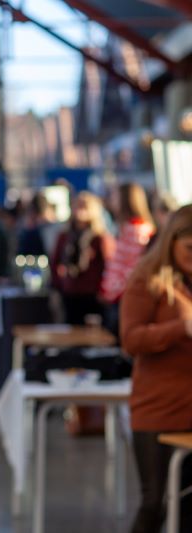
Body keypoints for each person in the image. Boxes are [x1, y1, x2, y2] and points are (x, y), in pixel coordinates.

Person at [120, 204, 192, 533]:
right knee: (155, 503)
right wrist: (181, 328)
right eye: (190, 248)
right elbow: (131, 340)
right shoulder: (146, 280)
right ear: (171, 241)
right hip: (158, 410)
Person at [51, 192, 114, 325]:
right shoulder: (65, 236)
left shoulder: (100, 238)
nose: (80, 211)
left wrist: (103, 290)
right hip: (70, 292)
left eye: (84, 207)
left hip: (92, 294)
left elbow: (108, 265)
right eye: (77, 206)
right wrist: (59, 284)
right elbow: (55, 262)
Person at [101, 183, 155, 332]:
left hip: (124, 297)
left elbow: (135, 266)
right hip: (117, 296)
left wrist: (114, 289)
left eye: (116, 197)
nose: (112, 201)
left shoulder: (137, 230)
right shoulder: (125, 228)